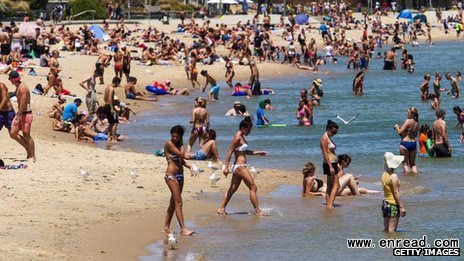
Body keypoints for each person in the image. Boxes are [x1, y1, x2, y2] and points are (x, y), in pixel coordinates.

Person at [218, 116, 267, 216]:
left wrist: (259, 152)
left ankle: (221, 209)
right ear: (243, 128)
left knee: (232, 188)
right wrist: (226, 167)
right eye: (249, 129)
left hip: (238, 166)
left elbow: (244, 152)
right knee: (253, 187)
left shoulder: (241, 137)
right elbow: (229, 152)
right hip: (240, 167)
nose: (250, 132)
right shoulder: (237, 137)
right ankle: (258, 211)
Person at [162, 125, 196, 236]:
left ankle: (166, 227)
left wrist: (189, 166)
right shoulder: (169, 144)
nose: (174, 138)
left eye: (177, 137)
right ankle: (183, 228)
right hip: (171, 175)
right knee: (178, 202)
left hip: (180, 175)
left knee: (173, 202)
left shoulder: (177, 145)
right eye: (173, 136)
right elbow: (182, 155)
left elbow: (181, 160)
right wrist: (181, 143)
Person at [302, 158, 379, 197]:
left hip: (331, 189)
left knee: (361, 189)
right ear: (312, 170)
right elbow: (307, 194)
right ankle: (359, 197)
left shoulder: (306, 178)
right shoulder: (310, 179)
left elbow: (303, 192)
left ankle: (379, 193)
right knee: (349, 176)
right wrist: (320, 194)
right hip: (331, 191)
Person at [8, 71, 35, 162]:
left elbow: (23, 104)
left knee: (26, 135)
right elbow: (15, 94)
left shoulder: (22, 88)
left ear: (12, 80)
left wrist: (18, 116)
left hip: (25, 114)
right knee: (13, 133)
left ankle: (33, 155)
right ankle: (28, 149)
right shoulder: (18, 87)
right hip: (20, 113)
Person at [381, 152, 406, 233]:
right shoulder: (394, 176)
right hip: (393, 204)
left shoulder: (384, 174)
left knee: (386, 229)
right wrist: (401, 207)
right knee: (392, 231)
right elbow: (395, 192)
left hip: (385, 203)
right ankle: (392, 244)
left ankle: (385, 243)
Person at [320, 120, 339, 208]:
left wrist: (337, 164)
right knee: (337, 185)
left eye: (336, 132)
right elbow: (324, 153)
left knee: (330, 185)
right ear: (328, 129)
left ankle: (328, 203)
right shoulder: (324, 138)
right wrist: (331, 166)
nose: (334, 134)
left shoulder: (328, 137)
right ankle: (331, 205)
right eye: (333, 131)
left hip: (332, 163)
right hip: (329, 164)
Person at [394, 107, 419, 174]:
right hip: (413, 143)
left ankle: (407, 179)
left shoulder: (408, 121)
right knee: (412, 164)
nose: (407, 114)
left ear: (412, 114)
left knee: (405, 164)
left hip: (405, 143)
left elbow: (400, 132)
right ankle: (415, 176)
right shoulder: (416, 123)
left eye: (408, 112)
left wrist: (396, 127)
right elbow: (415, 135)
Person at [104, 76, 121, 142]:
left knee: (111, 123)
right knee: (115, 123)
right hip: (110, 106)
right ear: (116, 82)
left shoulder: (107, 87)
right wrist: (112, 108)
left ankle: (108, 138)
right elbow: (110, 98)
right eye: (118, 83)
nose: (118, 85)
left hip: (106, 105)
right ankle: (113, 138)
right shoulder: (112, 89)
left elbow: (105, 98)